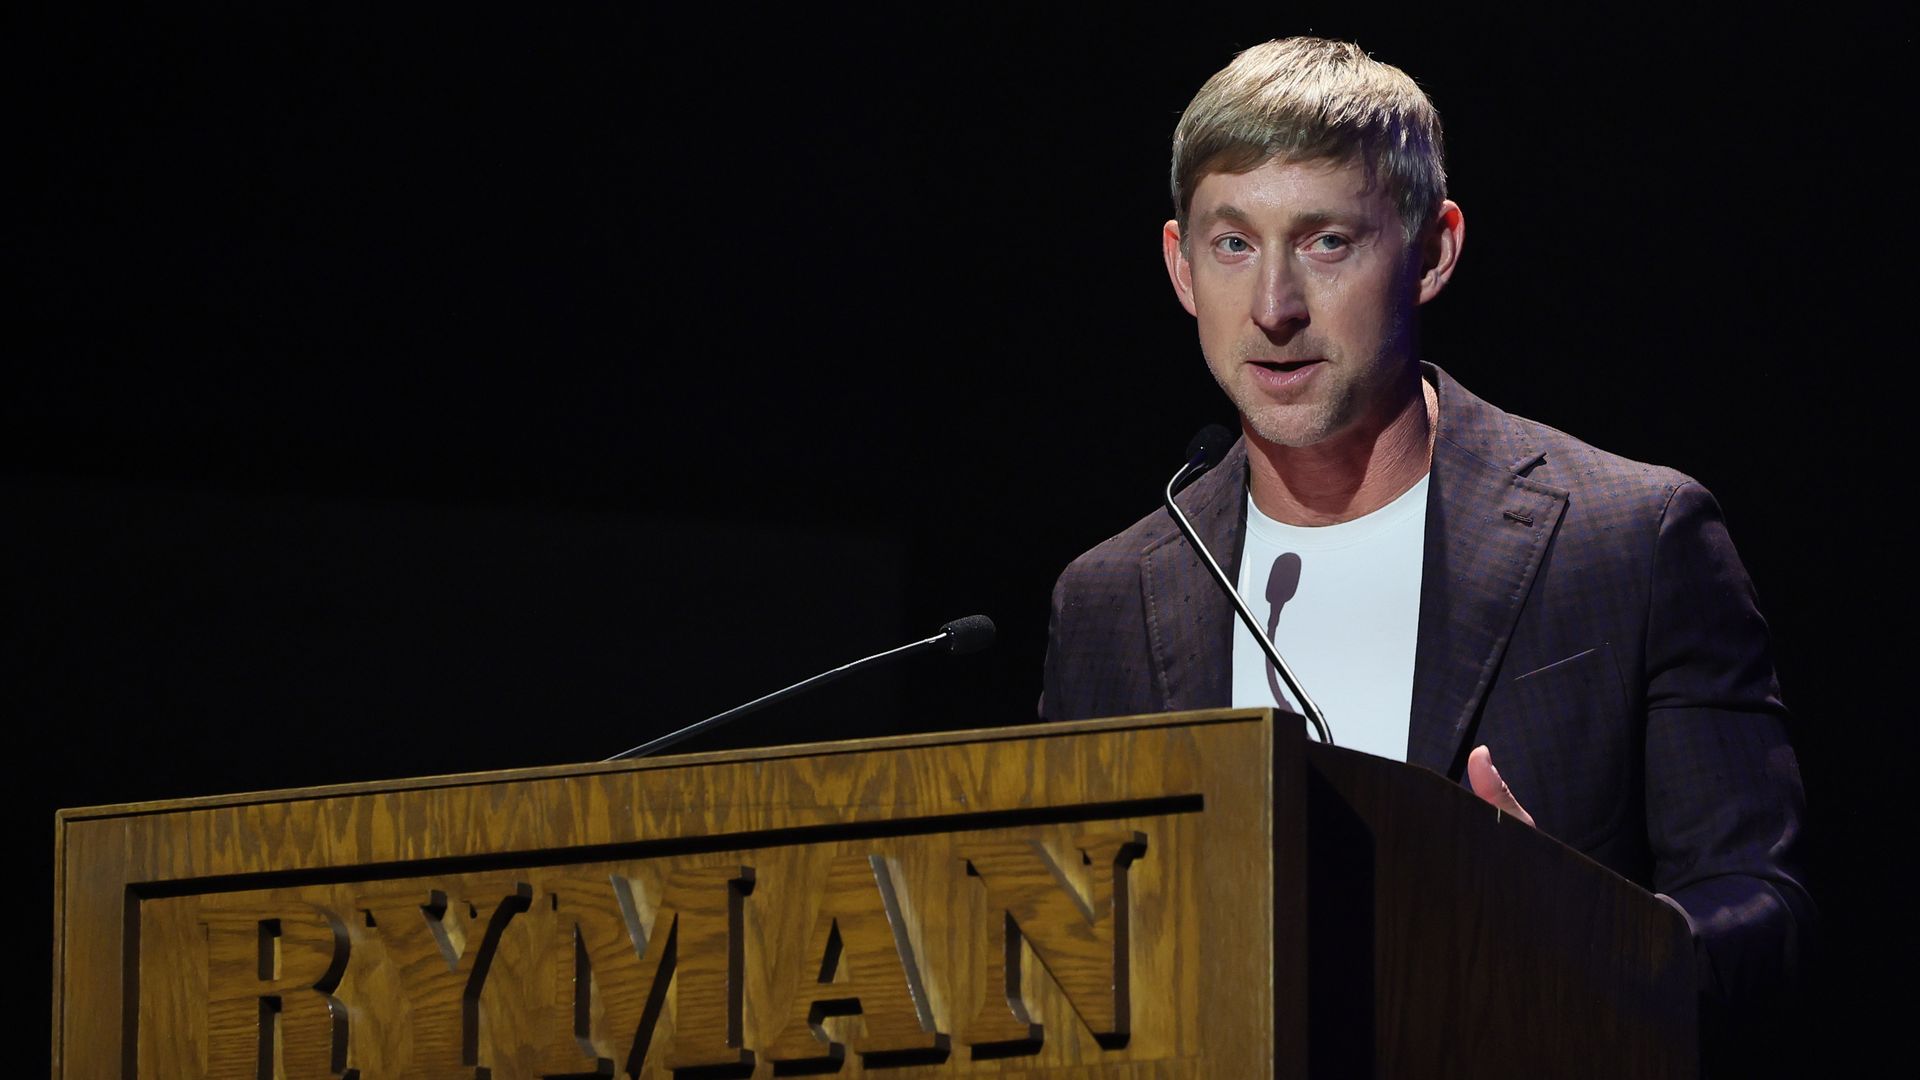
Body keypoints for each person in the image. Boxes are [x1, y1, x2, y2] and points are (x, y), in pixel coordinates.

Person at [1039, 37, 1810, 1015]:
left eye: (1327, 241)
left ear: (1433, 251)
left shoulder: (1631, 539)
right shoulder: (1107, 600)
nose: (1273, 308)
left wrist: (1582, 930)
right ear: (1181, 267)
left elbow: (1764, 912)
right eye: (1233, 243)